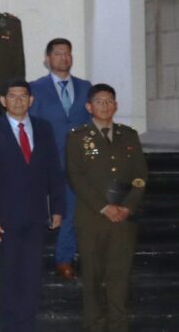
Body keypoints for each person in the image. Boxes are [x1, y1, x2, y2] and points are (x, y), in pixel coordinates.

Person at [0, 78, 65, 332]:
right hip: (3, 218)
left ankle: (27, 326)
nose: (18, 100)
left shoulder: (44, 128)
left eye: (23, 96)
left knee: (31, 277)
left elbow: (54, 171)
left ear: (31, 100)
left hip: (37, 216)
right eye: (12, 96)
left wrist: (58, 207)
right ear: (3, 101)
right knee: (8, 276)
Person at [66, 84, 147, 332]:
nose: (105, 105)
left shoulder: (129, 135)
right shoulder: (78, 137)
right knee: (92, 279)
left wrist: (128, 207)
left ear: (116, 106)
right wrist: (104, 207)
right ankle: (94, 327)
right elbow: (75, 177)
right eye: (99, 101)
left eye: (110, 101)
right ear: (89, 107)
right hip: (92, 219)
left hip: (123, 221)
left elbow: (140, 177)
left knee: (119, 280)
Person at [29, 38, 92, 280]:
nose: (63, 58)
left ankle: (64, 259)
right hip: (46, 160)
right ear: (47, 59)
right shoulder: (35, 88)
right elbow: (31, 125)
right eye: (58, 54)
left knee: (71, 211)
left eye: (67, 53)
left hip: (77, 162)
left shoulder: (86, 87)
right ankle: (32, 260)